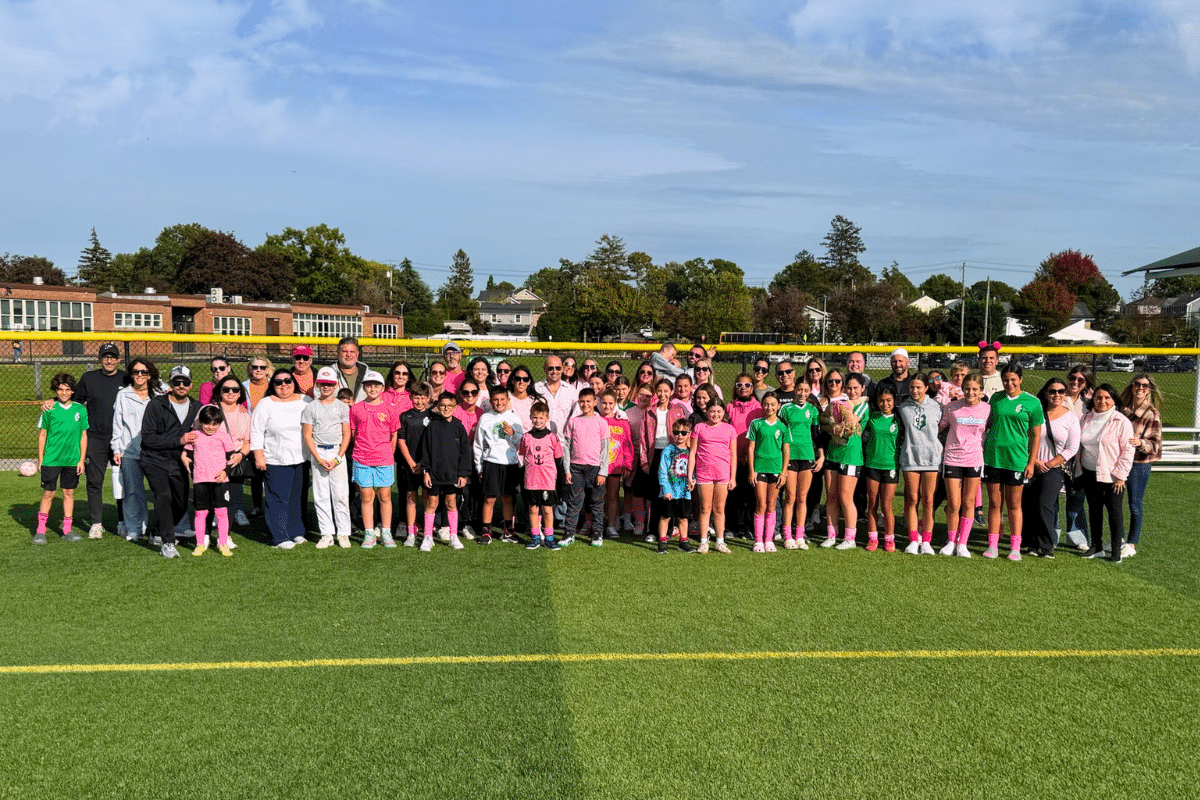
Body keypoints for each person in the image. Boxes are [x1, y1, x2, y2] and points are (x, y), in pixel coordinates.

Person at [982, 361, 1043, 561]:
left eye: (1013, 380)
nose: (1009, 383)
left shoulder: (1032, 403)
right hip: (993, 458)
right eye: (1006, 380)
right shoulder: (996, 399)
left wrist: (1031, 462)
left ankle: (1015, 547)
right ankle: (993, 545)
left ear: (1021, 380)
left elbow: (1035, 436)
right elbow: (986, 424)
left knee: (1014, 505)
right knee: (994, 504)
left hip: (1016, 460)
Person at [141, 366, 201, 558]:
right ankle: (168, 542)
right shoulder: (156, 405)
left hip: (180, 462)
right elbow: (148, 438)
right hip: (155, 459)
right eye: (176, 382)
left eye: (185, 382)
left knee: (181, 504)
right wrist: (179, 440)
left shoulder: (197, 407)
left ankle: (158, 531)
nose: (181, 385)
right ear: (170, 384)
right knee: (163, 496)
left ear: (191, 384)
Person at [250, 367, 313, 549]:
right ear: (273, 385)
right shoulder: (265, 404)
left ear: (294, 382)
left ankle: (297, 532)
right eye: (278, 382)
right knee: (278, 499)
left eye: (288, 381)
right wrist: (259, 456)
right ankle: (280, 537)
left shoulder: (305, 401)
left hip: (301, 459)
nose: (284, 385)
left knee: (297, 497)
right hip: (275, 459)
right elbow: (256, 431)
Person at [71, 342, 125, 538]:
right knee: (94, 481)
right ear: (99, 359)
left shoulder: (126, 378)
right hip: (96, 437)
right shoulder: (89, 378)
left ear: (119, 360)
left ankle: (123, 521)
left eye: (112, 357)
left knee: (123, 482)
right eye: (105, 356)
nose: (109, 360)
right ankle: (96, 523)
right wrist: (54, 400)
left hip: (120, 438)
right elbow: (75, 402)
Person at [1076, 384, 1135, 563]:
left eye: (1107, 398)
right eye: (1099, 397)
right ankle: (1096, 546)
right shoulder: (1087, 418)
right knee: (1094, 510)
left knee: (1114, 512)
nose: (1102, 401)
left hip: (1112, 476)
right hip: (1089, 472)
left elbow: (1128, 450)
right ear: (1093, 399)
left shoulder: (1121, 421)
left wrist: (1120, 476)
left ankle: (1116, 549)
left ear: (1113, 400)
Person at [1022, 378, 1080, 559]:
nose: (1057, 395)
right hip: (1031, 465)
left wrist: (1050, 463)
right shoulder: (1036, 412)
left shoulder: (1070, 418)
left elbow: (1072, 447)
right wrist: (1035, 461)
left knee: (1044, 505)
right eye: (1052, 391)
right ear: (1046, 394)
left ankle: (1047, 545)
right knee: (1028, 505)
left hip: (1054, 468)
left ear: (1065, 394)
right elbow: (1025, 438)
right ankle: (1031, 543)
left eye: (1061, 391)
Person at [938, 374, 990, 558]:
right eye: (967, 388)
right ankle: (951, 541)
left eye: (975, 389)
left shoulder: (987, 409)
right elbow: (939, 428)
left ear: (981, 391)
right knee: (953, 503)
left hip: (974, 460)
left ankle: (962, 544)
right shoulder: (951, 407)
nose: (970, 392)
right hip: (952, 458)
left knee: (969, 502)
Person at [111, 358, 162, 543]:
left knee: (159, 492)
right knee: (132, 491)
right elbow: (117, 424)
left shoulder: (159, 393)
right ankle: (134, 528)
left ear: (151, 374)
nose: (140, 375)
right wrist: (116, 448)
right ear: (131, 374)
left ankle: (158, 528)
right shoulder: (123, 395)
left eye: (144, 372)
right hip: (129, 452)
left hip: (154, 451)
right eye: (136, 372)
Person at [34, 373, 88, 544]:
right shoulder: (49, 409)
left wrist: (81, 460)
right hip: (52, 459)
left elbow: (83, 436)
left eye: (67, 389)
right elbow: (42, 435)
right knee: (49, 493)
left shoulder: (80, 410)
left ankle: (67, 529)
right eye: (60, 389)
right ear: (56, 390)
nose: (64, 393)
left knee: (68, 493)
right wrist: (41, 459)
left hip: (72, 460)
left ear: (72, 391)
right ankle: (40, 530)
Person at [302, 366, 352, 549]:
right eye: (323, 384)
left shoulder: (342, 406)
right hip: (319, 453)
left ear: (335, 385)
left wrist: (338, 458)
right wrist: (318, 458)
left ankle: (343, 533)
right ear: (317, 385)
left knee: (340, 494)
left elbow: (346, 434)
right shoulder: (311, 407)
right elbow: (308, 434)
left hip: (337, 451)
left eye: (329, 384)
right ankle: (326, 533)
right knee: (321, 495)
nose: (326, 387)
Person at [417, 391, 472, 551]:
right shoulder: (432, 426)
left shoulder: (458, 426)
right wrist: (426, 470)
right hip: (434, 473)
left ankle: (453, 536)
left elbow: (464, 452)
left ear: (455, 407)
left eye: (449, 406)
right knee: (432, 503)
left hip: (452, 474)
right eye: (443, 405)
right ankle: (427, 537)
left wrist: (463, 473)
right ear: (438, 406)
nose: (446, 408)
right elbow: (425, 450)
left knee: (451, 503)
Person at [350, 370, 398, 549]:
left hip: (384, 458)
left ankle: (386, 532)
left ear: (382, 388)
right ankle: (369, 533)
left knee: (385, 496)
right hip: (362, 458)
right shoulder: (356, 408)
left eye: (376, 385)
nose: (372, 388)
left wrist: (387, 454)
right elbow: (354, 433)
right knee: (367, 497)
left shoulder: (390, 409)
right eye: (369, 385)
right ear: (364, 387)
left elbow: (394, 434)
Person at [897, 373, 943, 555]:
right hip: (910, 458)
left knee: (929, 500)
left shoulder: (938, 407)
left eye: (918, 387)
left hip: (932, 458)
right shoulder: (903, 407)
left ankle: (926, 541)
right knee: (913, 500)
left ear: (926, 388)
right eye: (912, 387)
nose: (915, 391)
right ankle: (913, 540)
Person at [821, 373, 868, 549]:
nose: (852, 391)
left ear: (862, 388)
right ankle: (832, 535)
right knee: (831, 497)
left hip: (851, 456)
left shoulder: (863, 405)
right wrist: (831, 420)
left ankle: (850, 538)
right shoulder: (838, 403)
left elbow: (851, 422)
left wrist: (838, 416)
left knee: (846, 498)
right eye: (849, 388)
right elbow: (825, 421)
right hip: (833, 454)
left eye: (856, 388)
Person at [639, 378, 690, 543]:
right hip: (655, 455)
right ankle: (653, 530)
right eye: (659, 391)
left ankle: (668, 530)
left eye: (666, 391)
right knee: (655, 494)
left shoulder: (677, 410)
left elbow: (683, 433)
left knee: (672, 493)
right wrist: (644, 461)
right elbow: (643, 438)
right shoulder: (649, 411)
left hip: (672, 455)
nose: (662, 394)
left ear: (671, 392)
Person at [181, 404, 236, 557]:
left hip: (220, 481)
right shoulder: (194, 435)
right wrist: (185, 458)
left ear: (219, 423)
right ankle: (200, 544)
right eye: (207, 424)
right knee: (200, 513)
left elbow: (231, 459)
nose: (211, 427)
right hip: (200, 480)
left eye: (215, 424)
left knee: (221, 512)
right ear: (200, 423)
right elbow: (188, 456)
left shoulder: (224, 436)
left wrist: (226, 472)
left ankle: (223, 543)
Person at [474, 384, 524, 544]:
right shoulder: (485, 418)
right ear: (491, 401)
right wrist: (480, 467)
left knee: (508, 498)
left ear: (508, 400)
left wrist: (514, 434)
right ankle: (486, 531)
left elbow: (521, 444)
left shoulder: (514, 418)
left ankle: (508, 531)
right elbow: (478, 445)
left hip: (510, 464)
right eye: (495, 400)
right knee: (489, 499)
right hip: (491, 463)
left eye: (502, 399)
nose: (499, 402)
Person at [1119, 374, 1162, 558]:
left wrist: (1141, 443)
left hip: (1138, 465)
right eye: (1137, 384)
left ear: (1150, 389)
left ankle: (1132, 543)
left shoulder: (1152, 413)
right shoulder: (1123, 409)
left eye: (1145, 386)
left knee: (1134, 504)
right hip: (1120, 462)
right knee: (1115, 503)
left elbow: (1156, 445)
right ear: (1131, 386)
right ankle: (1117, 539)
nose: (1140, 388)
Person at [563, 387, 610, 547]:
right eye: (582, 401)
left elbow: (605, 449)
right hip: (576, 468)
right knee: (574, 501)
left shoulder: (601, 423)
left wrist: (603, 472)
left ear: (594, 402)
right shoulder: (573, 421)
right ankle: (569, 533)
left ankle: (597, 534)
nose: (585, 404)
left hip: (595, 468)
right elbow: (567, 446)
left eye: (588, 401)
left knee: (596, 502)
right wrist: (567, 469)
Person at [689, 396, 736, 554]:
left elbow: (733, 454)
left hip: (723, 474)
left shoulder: (729, 429)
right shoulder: (699, 427)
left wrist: (733, 477)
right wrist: (690, 475)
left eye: (718, 411)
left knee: (719, 509)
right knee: (705, 508)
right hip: (704, 474)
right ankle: (703, 541)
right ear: (706, 411)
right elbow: (693, 452)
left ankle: (720, 542)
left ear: (723, 412)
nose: (715, 414)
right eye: (712, 411)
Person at [747, 393, 790, 553]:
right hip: (760, 468)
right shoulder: (756, 424)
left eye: (773, 404)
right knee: (761, 504)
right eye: (766, 404)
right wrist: (751, 470)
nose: (769, 407)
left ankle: (768, 540)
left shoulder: (783, 426)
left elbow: (786, 450)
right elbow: (751, 448)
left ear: (778, 406)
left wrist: (784, 472)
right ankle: (758, 541)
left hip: (776, 469)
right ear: (762, 406)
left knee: (772, 504)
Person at [519, 401, 565, 550]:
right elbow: (522, 455)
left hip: (547, 481)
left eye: (541, 418)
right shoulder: (526, 437)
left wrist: (555, 476)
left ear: (547, 418)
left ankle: (550, 537)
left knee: (547, 509)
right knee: (533, 509)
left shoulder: (552, 437)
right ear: (530, 418)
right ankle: (535, 537)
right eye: (534, 417)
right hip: (531, 480)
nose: (537, 421)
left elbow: (558, 458)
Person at [778, 384, 819, 550]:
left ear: (809, 392)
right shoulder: (785, 409)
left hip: (807, 455)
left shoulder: (813, 410)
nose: (802, 393)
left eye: (806, 391)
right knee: (790, 496)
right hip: (790, 455)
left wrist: (821, 455)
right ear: (795, 390)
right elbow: (780, 431)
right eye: (800, 390)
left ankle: (800, 535)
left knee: (803, 497)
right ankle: (787, 536)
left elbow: (816, 434)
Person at [862, 387, 900, 552]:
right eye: (881, 401)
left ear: (894, 401)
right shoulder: (872, 418)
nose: (885, 404)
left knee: (887, 505)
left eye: (888, 400)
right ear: (877, 402)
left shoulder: (899, 420)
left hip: (891, 466)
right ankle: (873, 538)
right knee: (872, 503)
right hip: (872, 465)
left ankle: (889, 539)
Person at [1062, 364, 1095, 548]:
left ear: (1086, 383)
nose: (1075, 382)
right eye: (1072, 378)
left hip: (1080, 458)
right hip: (1057, 454)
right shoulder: (1058, 395)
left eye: (1080, 380)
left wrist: (1092, 404)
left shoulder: (1089, 403)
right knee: (1051, 499)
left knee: (1076, 498)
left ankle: (1078, 538)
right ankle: (1050, 535)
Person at [213, 375, 253, 529]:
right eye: (226, 389)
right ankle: (217, 513)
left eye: (235, 389)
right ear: (220, 391)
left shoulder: (245, 414)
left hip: (236, 455)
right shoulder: (211, 410)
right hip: (214, 455)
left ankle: (237, 510)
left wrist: (241, 455)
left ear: (240, 393)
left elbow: (247, 441)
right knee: (216, 486)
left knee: (236, 485)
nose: (231, 392)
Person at [726, 375, 762, 540]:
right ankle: (732, 526)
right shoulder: (729, 407)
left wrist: (749, 456)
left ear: (752, 388)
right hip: (732, 458)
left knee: (750, 495)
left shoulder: (758, 408)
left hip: (752, 458)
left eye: (747, 384)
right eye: (739, 384)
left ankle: (749, 527)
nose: (743, 387)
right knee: (733, 494)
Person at [396, 382, 433, 547]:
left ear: (428, 398)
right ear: (411, 398)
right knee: (411, 498)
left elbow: (434, 444)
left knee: (426, 498)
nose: (419, 401)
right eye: (416, 397)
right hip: (409, 465)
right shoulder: (405, 416)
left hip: (427, 466)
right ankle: (411, 533)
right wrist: (411, 462)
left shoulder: (433, 417)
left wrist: (425, 464)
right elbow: (401, 441)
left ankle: (427, 532)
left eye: (423, 397)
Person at [656, 419, 695, 553]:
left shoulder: (691, 452)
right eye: (676, 432)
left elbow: (693, 470)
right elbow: (662, 471)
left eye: (683, 433)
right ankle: (662, 540)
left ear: (689, 434)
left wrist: (693, 481)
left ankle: (683, 541)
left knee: (683, 518)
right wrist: (665, 489)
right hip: (670, 491)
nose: (680, 435)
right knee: (666, 517)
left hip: (684, 491)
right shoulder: (668, 450)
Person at [599, 389, 633, 540]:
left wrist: (627, 464)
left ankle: (611, 526)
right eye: (604, 403)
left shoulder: (622, 422)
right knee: (599, 496)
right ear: (599, 403)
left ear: (615, 404)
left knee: (613, 496)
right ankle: (598, 524)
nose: (607, 406)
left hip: (615, 465)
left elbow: (627, 444)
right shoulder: (596, 420)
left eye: (610, 403)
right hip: (598, 465)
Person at [332, 338, 369, 402]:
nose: (348, 355)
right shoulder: (329, 373)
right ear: (338, 353)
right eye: (344, 351)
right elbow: (319, 397)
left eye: (352, 352)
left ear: (357, 354)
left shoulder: (368, 375)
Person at [507, 365, 539, 431]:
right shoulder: (506, 399)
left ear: (529, 382)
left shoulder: (535, 402)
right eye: (518, 379)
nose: (521, 382)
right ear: (513, 380)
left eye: (525, 379)